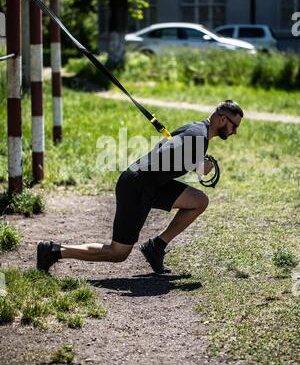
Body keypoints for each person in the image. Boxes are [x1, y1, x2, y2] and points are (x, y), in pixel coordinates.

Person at [37, 100, 243, 274]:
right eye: (235, 126)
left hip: (153, 184)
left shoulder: (198, 131)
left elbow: (166, 149)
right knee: (118, 253)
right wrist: (197, 166)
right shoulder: (198, 134)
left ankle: (156, 247)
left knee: (199, 201)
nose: (234, 132)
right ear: (223, 119)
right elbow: (163, 155)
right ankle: (54, 250)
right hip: (137, 185)